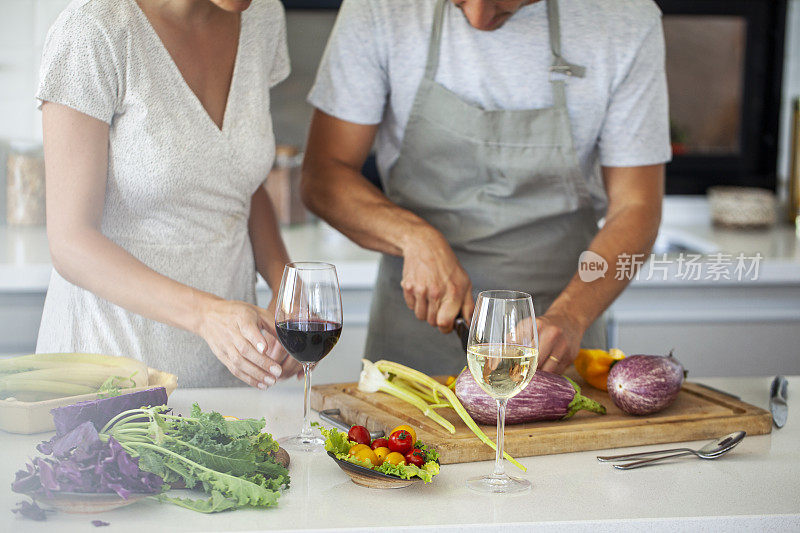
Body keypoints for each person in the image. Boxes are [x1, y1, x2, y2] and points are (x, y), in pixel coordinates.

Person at [302, 0, 669, 376]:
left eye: (500, 1)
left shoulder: (626, 17)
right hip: (413, 337)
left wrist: (572, 315)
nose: (477, 18)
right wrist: (413, 237)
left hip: (556, 339)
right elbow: (323, 176)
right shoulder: (380, 8)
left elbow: (636, 206)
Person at [35, 0, 302, 388]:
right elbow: (71, 243)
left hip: (224, 373)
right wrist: (206, 315)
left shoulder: (262, 17)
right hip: (109, 373)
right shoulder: (93, 29)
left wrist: (286, 288)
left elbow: (234, 177)